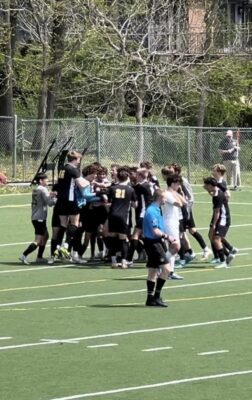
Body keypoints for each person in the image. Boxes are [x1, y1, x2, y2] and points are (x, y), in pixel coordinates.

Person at [19, 173, 57, 264]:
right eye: (46, 179)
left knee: (46, 236)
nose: (48, 180)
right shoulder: (43, 189)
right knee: (38, 240)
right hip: (39, 218)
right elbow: (50, 203)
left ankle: (39, 257)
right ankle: (24, 255)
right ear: (41, 181)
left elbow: (43, 199)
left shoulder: (36, 189)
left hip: (36, 217)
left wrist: (50, 195)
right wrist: (56, 198)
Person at [143, 189, 172, 307]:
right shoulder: (151, 211)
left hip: (154, 242)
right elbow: (155, 231)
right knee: (167, 270)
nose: (166, 200)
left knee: (153, 271)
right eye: (165, 198)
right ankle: (157, 296)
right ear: (160, 198)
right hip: (154, 243)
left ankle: (150, 298)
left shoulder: (156, 209)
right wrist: (167, 236)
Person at [107, 167, 137, 269]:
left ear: (118, 177)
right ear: (127, 177)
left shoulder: (112, 188)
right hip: (123, 216)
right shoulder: (130, 189)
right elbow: (134, 205)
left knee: (112, 238)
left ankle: (113, 261)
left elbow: (108, 202)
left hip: (113, 215)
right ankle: (124, 262)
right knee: (123, 239)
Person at [203, 176, 231, 268]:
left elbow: (217, 212)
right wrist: (208, 191)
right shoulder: (216, 190)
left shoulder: (218, 196)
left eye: (206, 185)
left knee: (216, 239)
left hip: (222, 219)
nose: (205, 187)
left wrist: (214, 224)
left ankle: (223, 261)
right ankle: (228, 253)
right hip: (221, 218)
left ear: (211, 185)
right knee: (214, 237)